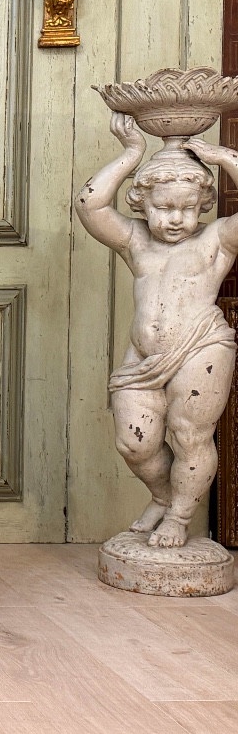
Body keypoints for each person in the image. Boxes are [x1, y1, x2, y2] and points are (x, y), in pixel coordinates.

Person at [75, 113, 238, 548]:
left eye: (187, 208)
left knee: (190, 436)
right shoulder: (136, 241)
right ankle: (163, 497)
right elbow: (90, 205)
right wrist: (131, 155)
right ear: (142, 204)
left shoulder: (216, 240)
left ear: (204, 204)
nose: (175, 219)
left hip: (202, 347)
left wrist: (223, 158)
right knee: (135, 442)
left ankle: (180, 517)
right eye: (163, 208)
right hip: (143, 358)